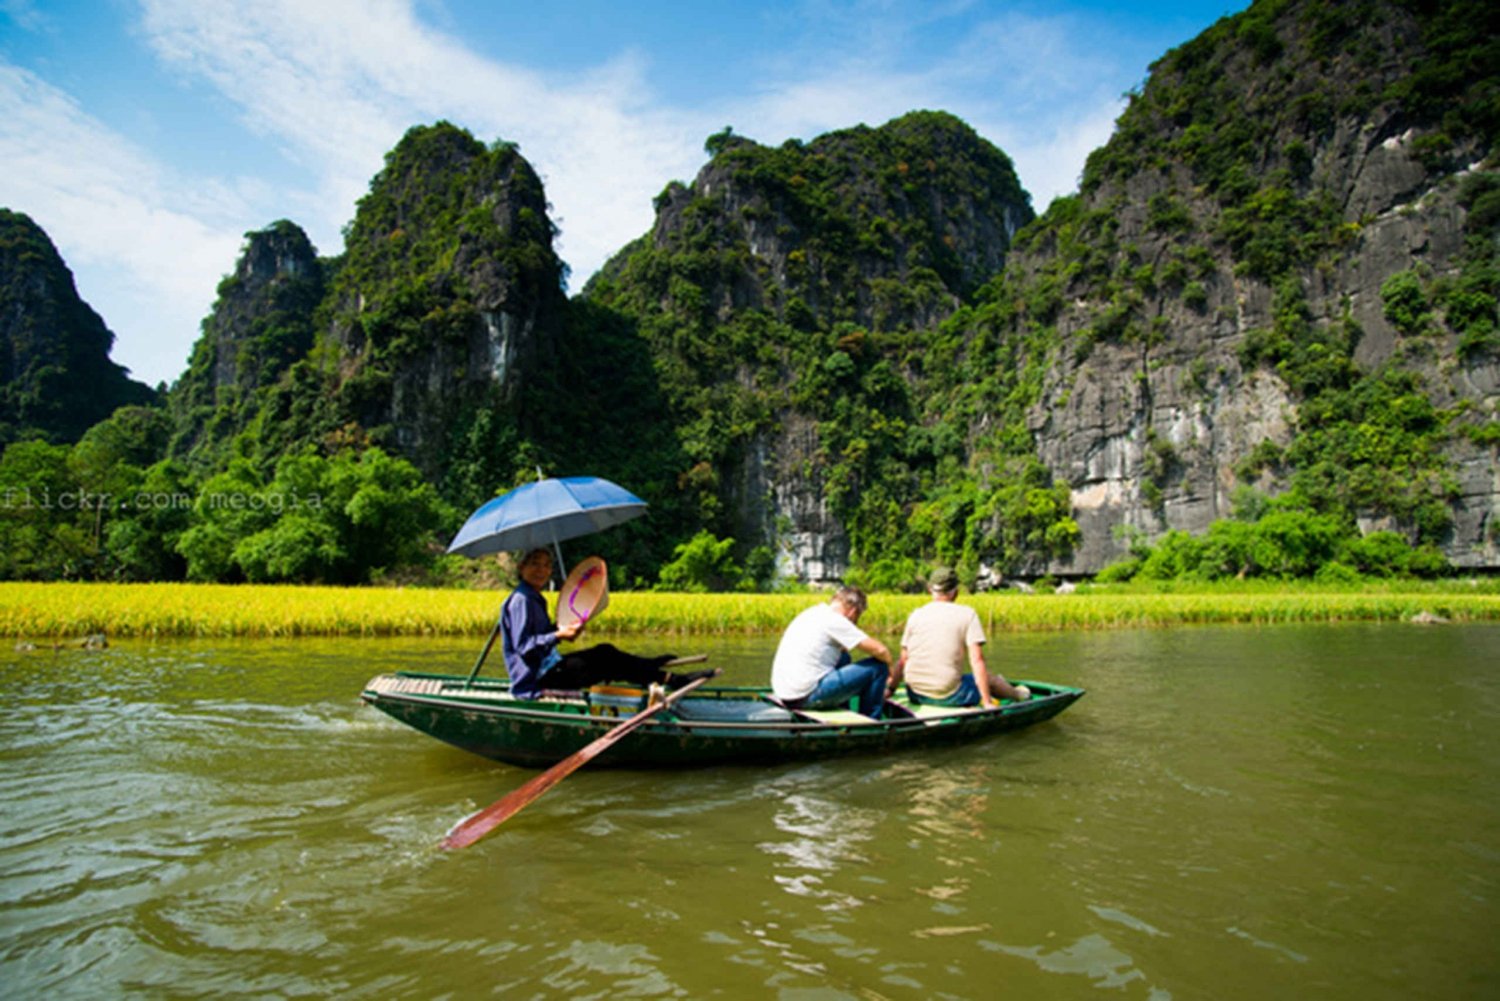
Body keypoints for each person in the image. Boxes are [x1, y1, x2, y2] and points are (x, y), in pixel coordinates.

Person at [500, 547, 712, 698]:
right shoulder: (522, 600)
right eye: (534, 564)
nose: (541, 570)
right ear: (521, 567)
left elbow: (543, 637)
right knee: (606, 658)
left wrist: (563, 629)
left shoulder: (533, 597)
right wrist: (557, 635)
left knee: (606, 653)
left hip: (550, 667)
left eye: (546, 565)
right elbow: (524, 647)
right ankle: (668, 677)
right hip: (537, 679)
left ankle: (658, 672)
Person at [890, 566, 1030, 708]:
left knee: (968, 678)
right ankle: (1018, 695)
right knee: (990, 679)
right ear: (955, 592)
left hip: (915, 694)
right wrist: (987, 702)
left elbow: (903, 660)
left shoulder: (915, 615)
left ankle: (1007, 689)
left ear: (930, 589)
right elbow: (977, 661)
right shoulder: (968, 614)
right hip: (949, 695)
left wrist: (890, 689)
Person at [771, 585, 892, 719]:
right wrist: (890, 671)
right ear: (853, 612)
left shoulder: (813, 612)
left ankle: (842, 707)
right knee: (878, 668)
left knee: (844, 657)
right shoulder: (836, 620)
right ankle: (871, 719)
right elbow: (881, 650)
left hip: (786, 694)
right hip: (805, 697)